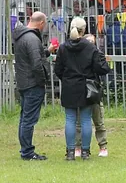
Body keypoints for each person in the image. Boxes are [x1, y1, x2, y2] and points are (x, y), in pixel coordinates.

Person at [54, 17, 110, 161]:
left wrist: (67, 79)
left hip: (69, 86)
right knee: (86, 120)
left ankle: (71, 152)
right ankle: (85, 151)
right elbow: (100, 68)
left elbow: (58, 70)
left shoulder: (62, 47)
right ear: (83, 30)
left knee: (70, 119)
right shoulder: (90, 47)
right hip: (86, 87)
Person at [13, 11, 58, 160]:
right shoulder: (32, 38)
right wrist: (42, 81)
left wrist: (47, 51)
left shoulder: (21, 36)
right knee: (29, 119)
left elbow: (32, 56)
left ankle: (25, 149)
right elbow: (36, 63)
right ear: (41, 23)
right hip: (32, 83)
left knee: (24, 117)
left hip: (23, 82)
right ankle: (27, 152)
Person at [74, 34, 109, 158]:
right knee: (78, 121)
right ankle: (78, 147)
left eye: (92, 42)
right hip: (79, 89)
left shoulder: (97, 54)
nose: (89, 44)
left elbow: (104, 69)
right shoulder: (77, 54)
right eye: (87, 41)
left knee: (98, 119)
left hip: (93, 89)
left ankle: (103, 146)